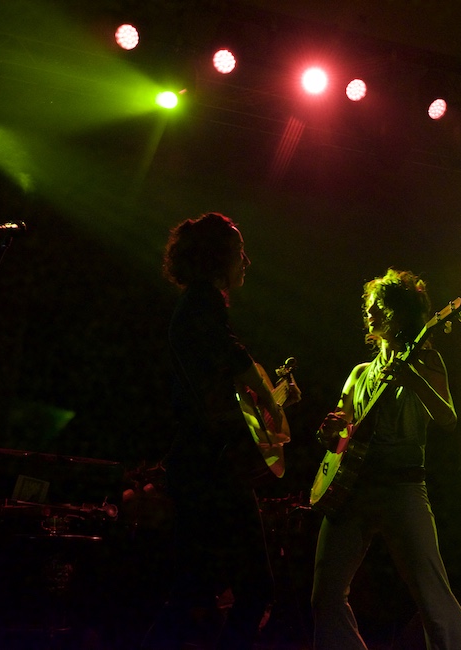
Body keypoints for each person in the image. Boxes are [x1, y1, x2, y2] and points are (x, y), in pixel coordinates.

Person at [143, 212, 297, 650]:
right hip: (210, 470)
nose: (246, 261)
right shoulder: (202, 305)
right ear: (218, 256)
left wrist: (270, 400)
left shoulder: (196, 307)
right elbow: (235, 366)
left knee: (193, 593)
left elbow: (224, 396)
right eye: (239, 251)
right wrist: (272, 399)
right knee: (253, 588)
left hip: (200, 467)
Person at [311, 268, 461, 650]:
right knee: (325, 596)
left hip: (403, 487)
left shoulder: (426, 359)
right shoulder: (359, 374)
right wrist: (331, 430)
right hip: (353, 490)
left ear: (399, 312)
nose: (369, 312)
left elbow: (448, 419)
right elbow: (342, 434)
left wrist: (412, 379)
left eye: (378, 306)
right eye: (369, 306)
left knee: (432, 597)